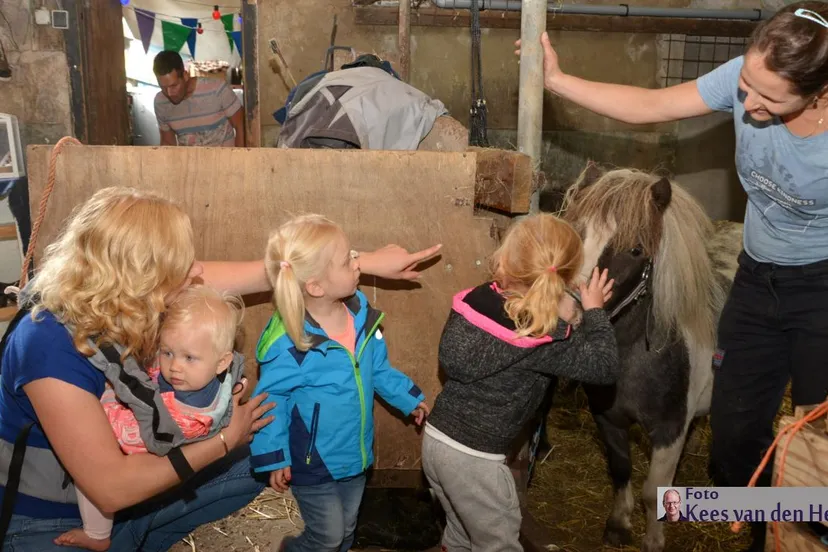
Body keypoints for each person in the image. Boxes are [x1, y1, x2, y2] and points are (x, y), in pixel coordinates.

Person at [515, 3, 828, 550]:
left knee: (816, 446)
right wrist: (557, 81)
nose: (748, 103)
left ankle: (798, 532)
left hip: (820, 288)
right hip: (756, 278)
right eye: (747, 84)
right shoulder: (748, 78)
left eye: (770, 99)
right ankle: (766, 525)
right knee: (731, 448)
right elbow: (652, 105)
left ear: (820, 91)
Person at [0, 186, 442, 551]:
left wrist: (361, 263)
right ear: (138, 276)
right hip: (53, 521)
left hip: (128, 490)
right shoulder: (47, 343)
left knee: (261, 458)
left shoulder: (118, 297)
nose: (196, 271)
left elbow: (281, 271)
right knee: (243, 445)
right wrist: (226, 438)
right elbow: (111, 489)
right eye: (181, 265)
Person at [422, 213, 620, 552]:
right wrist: (595, 312)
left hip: (437, 441)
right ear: (567, 277)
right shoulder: (543, 337)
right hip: (476, 461)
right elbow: (604, 367)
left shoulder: (476, 301)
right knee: (499, 543)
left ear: (507, 259)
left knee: (461, 534)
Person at [250, 214, 430, 552]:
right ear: (316, 286)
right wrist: (274, 456)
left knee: (346, 531)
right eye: (348, 259)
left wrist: (409, 398)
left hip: (355, 453)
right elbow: (270, 400)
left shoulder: (360, 318)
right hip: (313, 461)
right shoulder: (290, 343)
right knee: (328, 537)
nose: (357, 263)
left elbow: (379, 369)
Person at [54, 284, 245, 551]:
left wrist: (107, 397)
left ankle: (97, 533)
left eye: (189, 358)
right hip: (170, 461)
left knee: (88, 475)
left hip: (147, 457)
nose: (175, 366)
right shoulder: (207, 377)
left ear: (222, 362)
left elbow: (128, 436)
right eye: (168, 352)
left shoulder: (188, 415)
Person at [153, 50, 244, 147]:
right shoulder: (161, 103)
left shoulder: (217, 89)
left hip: (225, 156)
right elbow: (168, 143)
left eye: (174, 86)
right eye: (163, 87)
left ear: (185, 75)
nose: (169, 93)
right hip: (189, 157)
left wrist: (240, 156)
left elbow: (241, 125)